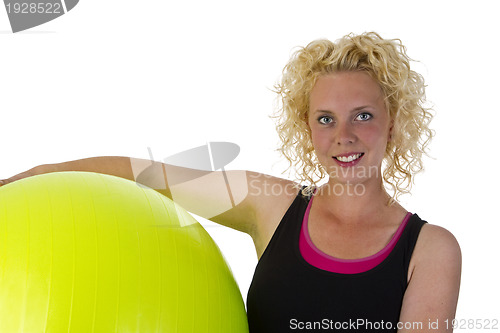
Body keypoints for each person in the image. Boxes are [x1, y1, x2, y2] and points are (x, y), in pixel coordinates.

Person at [0, 32, 461, 332]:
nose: (344, 136)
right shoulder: (272, 206)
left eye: (363, 115)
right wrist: (40, 176)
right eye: (326, 119)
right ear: (308, 129)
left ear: (394, 123)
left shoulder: (430, 250)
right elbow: (151, 176)